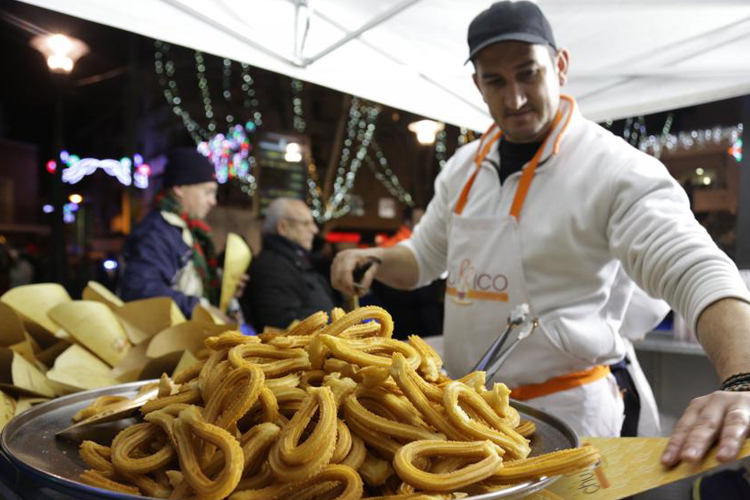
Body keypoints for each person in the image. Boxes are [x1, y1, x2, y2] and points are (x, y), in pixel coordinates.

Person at [331, 0, 750, 467]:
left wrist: (743, 379)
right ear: (478, 85)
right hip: (468, 417)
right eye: (496, 81)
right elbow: (424, 259)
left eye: (528, 74)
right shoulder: (462, 170)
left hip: (571, 412)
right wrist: (376, 259)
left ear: (561, 66)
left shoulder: (613, 168)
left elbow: (696, 268)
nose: (515, 99)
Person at [120, 148, 241, 319]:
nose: (213, 201)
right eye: (207, 192)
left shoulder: (188, 230)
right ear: (179, 188)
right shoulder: (157, 233)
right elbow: (141, 291)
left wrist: (225, 288)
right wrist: (201, 309)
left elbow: (190, 285)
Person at [242, 197, 336, 331]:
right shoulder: (273, 267)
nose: (314, 230)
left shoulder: (293, 260)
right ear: (283, 227)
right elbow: (282, 324)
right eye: (306, 223)